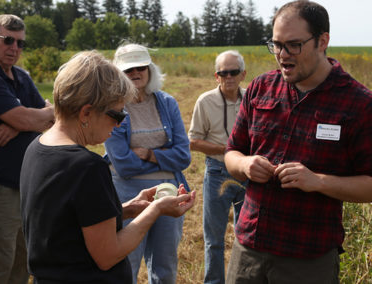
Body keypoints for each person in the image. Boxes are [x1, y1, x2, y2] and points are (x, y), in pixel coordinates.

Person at [224, 1, 372, 283]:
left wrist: (317, 181)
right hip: (248, 252)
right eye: (276, 45)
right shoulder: (260, 88)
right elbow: (232, 152)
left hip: (307, 260)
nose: (282, 55)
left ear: (322, 41)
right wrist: (245, 164)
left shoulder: (358, 104)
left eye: (293, 45)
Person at [19, 50, 196, 284]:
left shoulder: (37, 147)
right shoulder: (87, 167)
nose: (121, 122)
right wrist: (156, 210)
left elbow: (72, 222)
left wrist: (130, 209)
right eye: (117, 114)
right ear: (86, 113)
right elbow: (107, 255)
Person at [0, 14, 54, 283]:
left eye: (20, 43)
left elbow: (53, 115)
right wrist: (23, 119)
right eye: (8, 40)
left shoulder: (20, 76)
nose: (15, 48)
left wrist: (17, 124)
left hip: (25, 187)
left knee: (21, 267)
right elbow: (37, 117)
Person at [104, 43, 191, 284]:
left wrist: (147, 154)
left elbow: (184, 156)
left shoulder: (167, 102)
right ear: (118, 74)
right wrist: (164, 158)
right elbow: (122, 164)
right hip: (127, 194)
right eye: (127, 69)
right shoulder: (112, 108)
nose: (135, 73)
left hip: (168, 192)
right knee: (126, 265)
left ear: (150, 69)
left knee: (165, 266)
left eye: (140, 67)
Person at [188, 50, 247, 284]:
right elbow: (193, 141)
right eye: (223, 73)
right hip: (217, 173)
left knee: (246, 237)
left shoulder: (253, 98)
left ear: (243, 74)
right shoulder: (205, 101)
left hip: (246, 173)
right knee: (214, 238)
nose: (229, 77)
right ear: (216, 76)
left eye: (234, 72)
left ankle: (242, 279)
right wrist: (227, 151)